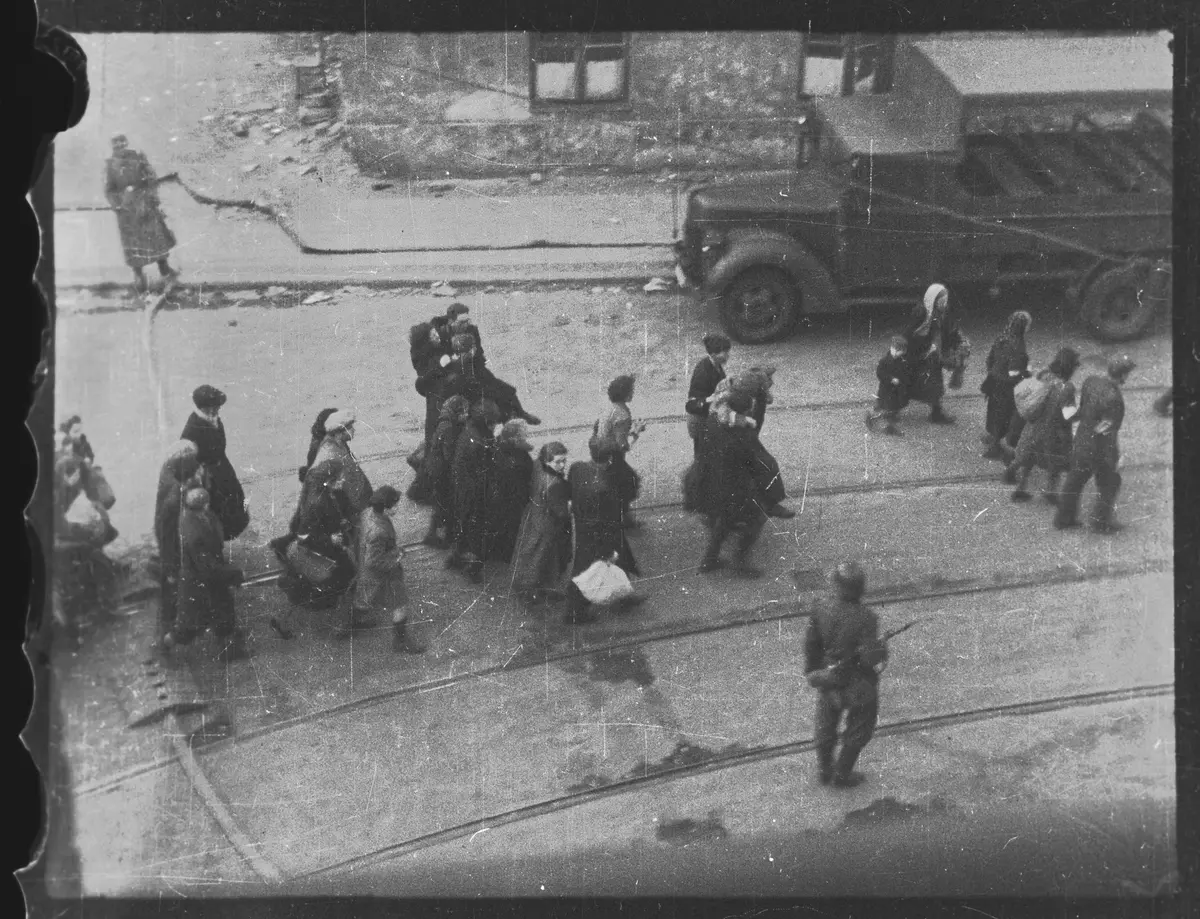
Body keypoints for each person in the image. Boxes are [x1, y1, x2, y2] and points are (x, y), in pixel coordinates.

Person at [803, 562, 888, 788]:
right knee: (860, 726)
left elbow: (811, 644)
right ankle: (842, 774)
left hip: (828, 677)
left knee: (826, 723)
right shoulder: (867, 618)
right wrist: (881, 649)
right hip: (856, 682)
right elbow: (870, 659)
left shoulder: (820, 607)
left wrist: (815, 672)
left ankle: (824, 769)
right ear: (860, 589)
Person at [689, 390, 769, 577]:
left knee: (724, 520)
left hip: (712, 483)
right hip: (734, 488)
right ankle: (740, 562)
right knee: (756, 520)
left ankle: (710, 559)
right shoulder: (742, 434)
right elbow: (753, 462)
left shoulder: (713, 422)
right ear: (746, 411)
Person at [1054, 355, 1135, 533]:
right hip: (1097, 448)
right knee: (1110, 483)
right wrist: (1114, 458)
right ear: (1123, 375)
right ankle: (1100, 523)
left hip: (1081, 439)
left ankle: (1063, 519)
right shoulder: (1114, 399)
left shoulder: (1091, 381)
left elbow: (1082, 410)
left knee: (1074, 481)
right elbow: (1106, 431)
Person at [566, 442, 643, 624]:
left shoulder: (578, 468)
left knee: (619, 561)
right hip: (601, 535)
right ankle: (574, 612)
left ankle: (623, 597)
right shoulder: (604, 488)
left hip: (584, 527)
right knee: (587, 571)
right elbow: (604, 522)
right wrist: (607, 550)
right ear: (609, 459)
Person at [342, 485, 423, 651]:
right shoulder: (379, 531)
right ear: (386, 509)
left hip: (367, 569)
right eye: (395, 505)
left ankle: (352, 624)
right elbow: (374, 561)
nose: (397, 508)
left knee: (364, 598)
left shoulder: (369, 514)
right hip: (384, 572)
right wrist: (396, 557)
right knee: (400, 604)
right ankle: (400, 642)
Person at [176, 486, 248, 661]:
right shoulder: (195, 532)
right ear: (204, 505)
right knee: (216, 612)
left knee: (218, 610)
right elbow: (208, 567)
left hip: (205, 573)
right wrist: (234, 572)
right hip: (203, 578)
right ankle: (228, 651)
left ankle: (228, 641)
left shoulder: (193, 517)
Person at [1003, 347, 1081, 504]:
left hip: (1034, 426)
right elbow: (1068, 415)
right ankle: (1051, 493)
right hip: (1054, 432)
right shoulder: (1067, 388)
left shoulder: (1044, 375)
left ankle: (1018, 485)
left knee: (1028, 456)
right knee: (1056, 463)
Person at [103, 134, 178, 292]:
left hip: (145, 204)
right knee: (132, 245)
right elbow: (109, 190)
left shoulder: (138, 157)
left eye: (122, 142)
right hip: (127, 211)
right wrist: (119, 203)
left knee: (156, 239)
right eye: (116, 143)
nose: (120, 146)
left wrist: (148, 192)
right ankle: (138, 277)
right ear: (112, 146)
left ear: (126, 142)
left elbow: (151, 176)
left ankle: (165, 271)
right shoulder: (110, 164)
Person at [270, 407, 339, 561]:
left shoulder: (320, 439)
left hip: (315, 486)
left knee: (307, 522)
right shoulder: (321, 444)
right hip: (319, 487)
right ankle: (288, 549)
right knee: (312, 523)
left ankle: (284, 545)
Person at [181, 384, 249, 541]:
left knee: (234, 502)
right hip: (206, 476)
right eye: (208, 409)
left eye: (216, 408)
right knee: (213, 511)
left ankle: (224, 536)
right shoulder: (192, 428)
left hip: (222, 470)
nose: (213, 412)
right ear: (201, 408)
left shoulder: (215, 420)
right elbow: (187, 460)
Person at [153, 441, 204, 649]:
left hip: (172, 546)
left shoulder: (169, 472)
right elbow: (167, 536)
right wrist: (171, 566)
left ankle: (168, 633)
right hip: (173, 552)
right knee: (172, 594)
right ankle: (164, 641)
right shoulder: (175, 499)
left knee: (173, 593)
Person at [512, 442, 573, 606]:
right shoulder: (554, 484)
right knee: (542, 560)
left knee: (531, 556)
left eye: (564, 461)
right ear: (547, 462)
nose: (562, 465)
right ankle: (532, 591)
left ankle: (533, 589)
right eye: (558, 462)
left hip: (534, 518)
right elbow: (562, 512)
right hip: (548, 526)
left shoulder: (538, 466)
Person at [449, 399, 502, 582]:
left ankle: (457, 557)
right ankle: (474, 568)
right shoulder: (480, 442)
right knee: (478, 532)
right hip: (476, 493)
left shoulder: (469, 432)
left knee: (464, 526)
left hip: (462, 488)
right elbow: (489, 469)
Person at [902, 283, 969, 425]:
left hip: (934, 356)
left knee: (935, 384)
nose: (944, 303)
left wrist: (959, 341)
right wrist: (926, 346)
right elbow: (909, 336)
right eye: (941, 301)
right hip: (919, 356)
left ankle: (936, 413)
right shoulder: (921, 315)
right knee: (907, 383)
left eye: (945, 300)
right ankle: (888, 408)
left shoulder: (943, 313)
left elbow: (950, 330)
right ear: (933, 300)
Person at [732, 366, 794, 518]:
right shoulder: (745, 400)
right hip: (738, 438)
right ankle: (770, 504)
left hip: (741, 435)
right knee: (769, 464)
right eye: (768, 383)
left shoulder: (742, 390)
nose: (771, 384)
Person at [593, 374, 645, 527]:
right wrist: (636, 432)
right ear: (625, 394)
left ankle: (621, 518)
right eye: (631, 390)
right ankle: (622, 519)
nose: (633, 393)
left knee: (622, 484)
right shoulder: (623, 415)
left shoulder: (611, 408)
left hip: (602, 452)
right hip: (613, 457)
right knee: (629, 484)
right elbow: (623, 445)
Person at [981, 311, 1033, 459]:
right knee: (1004, 416)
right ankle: (996, 447)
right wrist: (1027, 373)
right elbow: (1013, 373)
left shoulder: (1002, 338)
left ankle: (992, 437)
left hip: (994, 381)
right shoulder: (1018, 347)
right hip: (1006, 387)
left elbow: (989, 360)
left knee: (993, 411)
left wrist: (993, 373)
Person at [422, 395, 471, 548]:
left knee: (441, 503)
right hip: (441, 471)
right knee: (444, 503)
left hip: (436, 468)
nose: (467, 415)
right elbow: (448, 454)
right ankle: (438, 536)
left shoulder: (445, 421)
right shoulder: (448, 427)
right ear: (458, 411)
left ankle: (437, 534)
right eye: (465, 412)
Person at [484, 420, 536, 564]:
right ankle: (508, 554)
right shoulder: (515, 457)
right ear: (514, 438)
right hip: (512, 498)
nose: (525, 438)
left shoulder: (500, 448)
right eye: (523, 436)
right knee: (511, 526)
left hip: (502, 496)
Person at [311, 410, 372, 524]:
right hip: (348, 509)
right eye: (349, 427)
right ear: (339, 433)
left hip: (357, 501)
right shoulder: (329, 455)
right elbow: (321, 490)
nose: (353, 429)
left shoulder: (339, 444)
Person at [685, 333, 731, 457]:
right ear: (714, 354)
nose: (727, 355)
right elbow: (691, 405)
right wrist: (712, 398)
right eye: (724, 352)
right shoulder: (703, 372)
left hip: (710, 420)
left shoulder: (716, 365)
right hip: (700, 423)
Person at [865, 336, 910, 436]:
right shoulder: (884, 361)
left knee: (891, 406)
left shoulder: (900, 359)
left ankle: (889, 423)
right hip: (886, 389)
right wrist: (891, 379)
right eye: (900, 352)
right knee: (884, 405)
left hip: (895, 390)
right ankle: (875, 418)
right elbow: (880, 373)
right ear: (894, 349)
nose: (901, 355)